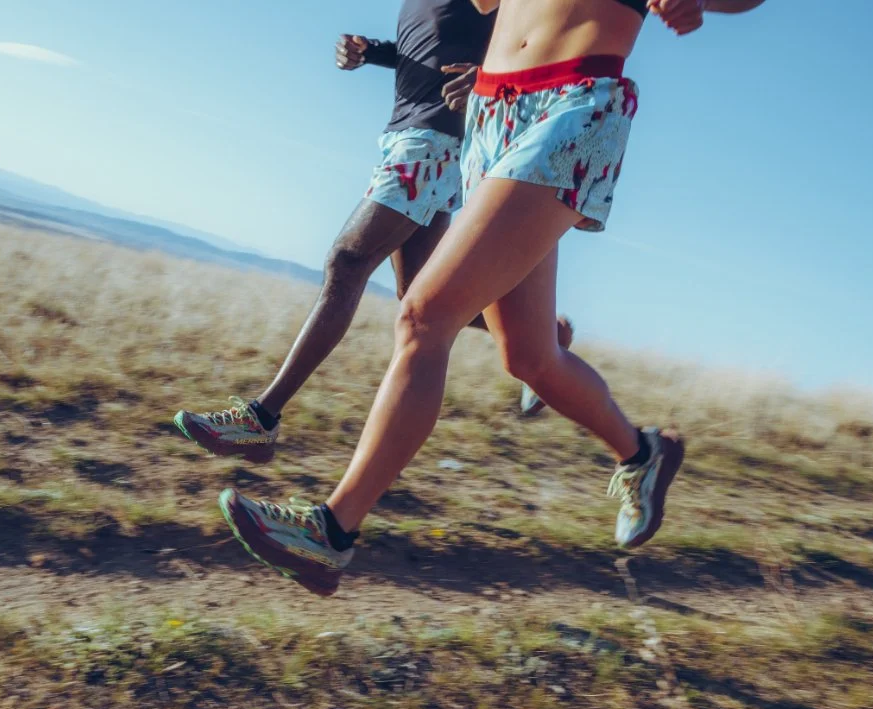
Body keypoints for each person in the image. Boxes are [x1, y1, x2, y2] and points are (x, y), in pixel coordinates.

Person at [218, 0, 767, 596]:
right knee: (529, 357)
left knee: (425, 315)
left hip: (574, 103)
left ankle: (331, 533)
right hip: (491, 115)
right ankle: (642, 453)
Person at [173, 0, 574, 465]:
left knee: (347, 261)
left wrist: (489, 79)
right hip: (409, 135)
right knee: (420, 299)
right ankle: (545, 333)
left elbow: (538, 40)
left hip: (435, 139)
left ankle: (260, 419)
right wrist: (372, 52)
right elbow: (433, 48)